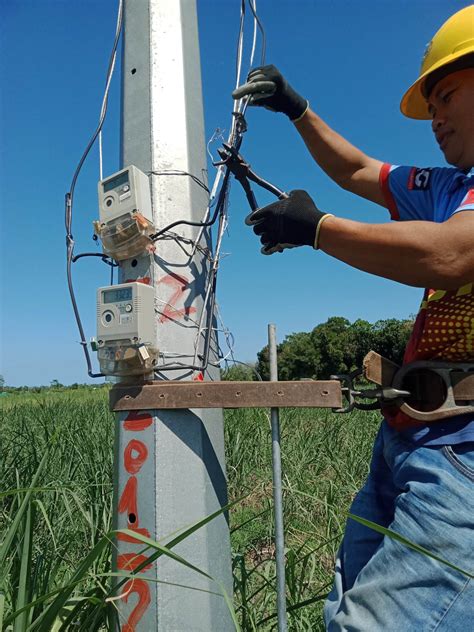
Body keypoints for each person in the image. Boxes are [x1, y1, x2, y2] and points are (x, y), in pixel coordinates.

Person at [233, 6, 474, 631]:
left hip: (465, 455)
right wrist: (298, 110)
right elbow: (359, 171)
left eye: (445, 96)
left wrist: (317, 229)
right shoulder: (452, 187)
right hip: (410, 437)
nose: (436, 119)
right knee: (343, 611)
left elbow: (449, 256)